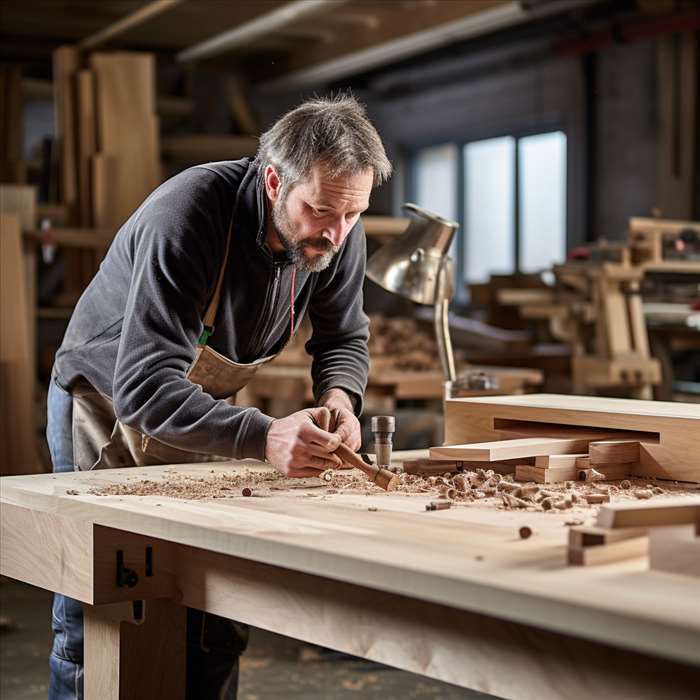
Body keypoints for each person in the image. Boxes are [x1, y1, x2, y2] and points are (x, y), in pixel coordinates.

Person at [46, 94, 392, 699]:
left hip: (200, 408)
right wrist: (263, 435)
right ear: (273, 180)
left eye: (352, 214)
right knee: (100, 618)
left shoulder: (337, 228)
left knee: (215, 619)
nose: (335, 232)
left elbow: (344, 335)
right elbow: (145, 387)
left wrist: (341, 398)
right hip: (107, 405)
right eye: (319, 211)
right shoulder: (187, 216)